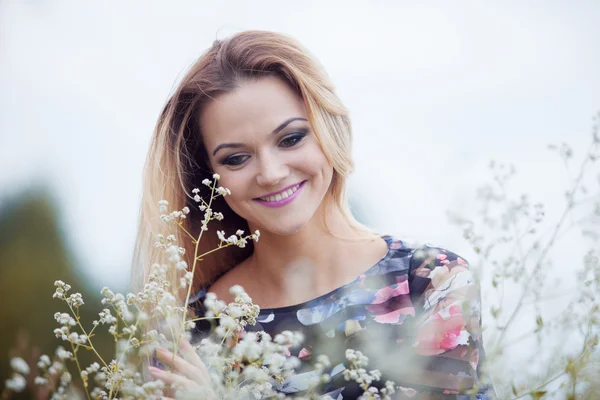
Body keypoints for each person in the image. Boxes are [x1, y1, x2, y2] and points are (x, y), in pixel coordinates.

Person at [132, 30, 495, 399]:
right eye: (236, 158)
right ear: (208, 177)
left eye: (291, 138)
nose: (270, 173)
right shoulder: (192, 329)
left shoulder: (431, 282)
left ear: (328, 129)